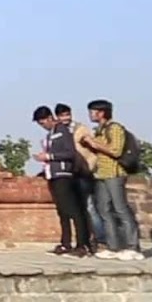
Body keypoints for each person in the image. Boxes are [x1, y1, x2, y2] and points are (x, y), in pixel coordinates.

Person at [80, 98, 143, 261]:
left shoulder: (114, 128)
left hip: (115, 173)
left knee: (121, 209)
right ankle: (113, 246)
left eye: (93, 112)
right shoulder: (100, 130)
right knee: (104, 210)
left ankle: (133, 246)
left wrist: (94, 144)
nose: (91, 115)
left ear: (101, 112)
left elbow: (115, 151)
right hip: (101, 173)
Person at [32, 104, 92, 256]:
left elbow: (70, 153)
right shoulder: (50, 134)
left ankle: (82, 244)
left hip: (64, 175)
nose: (43, 126)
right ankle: (66, 243)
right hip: (53, 174)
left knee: (74, 211)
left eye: (43, 122)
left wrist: (49, 157)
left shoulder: (62, 131)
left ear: (49, 118)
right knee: (62, 212)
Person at [55, 103, 105, 250]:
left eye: (67, 114)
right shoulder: (58, 131)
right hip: (70, 174)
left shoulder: (80, 130)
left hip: (83, 173)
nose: (65, 118)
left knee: (89, 207)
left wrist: (88, 168)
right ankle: (84, 241)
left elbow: (92, 150)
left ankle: (100, 239)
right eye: (62, 115)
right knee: (77, 209)